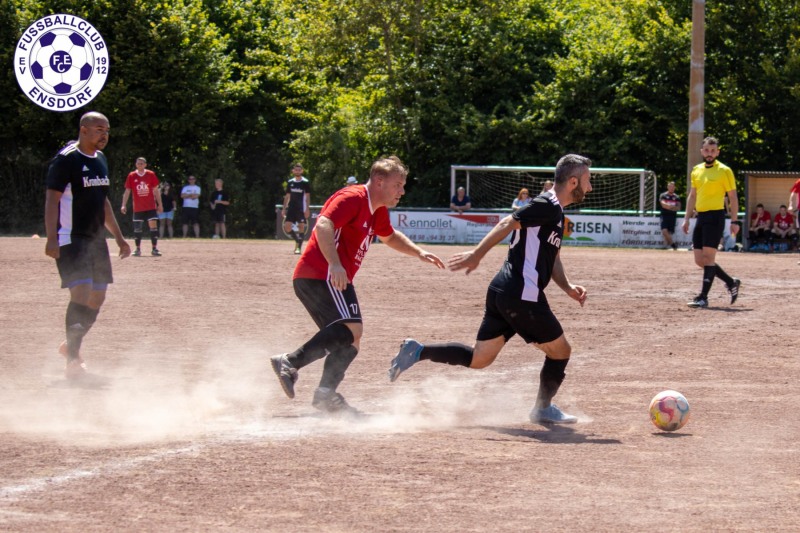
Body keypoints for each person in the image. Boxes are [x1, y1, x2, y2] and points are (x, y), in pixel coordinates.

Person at [387, 154, 593, 425]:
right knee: (561, 351)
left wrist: (566, 287)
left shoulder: (554, 210)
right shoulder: (548, 205)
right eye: (588, 181)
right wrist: (477, 254)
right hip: (522, 295)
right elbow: (507, 223)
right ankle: (542, 408)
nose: (590, 187)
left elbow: (552, 257)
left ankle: (417, 350)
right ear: (573, 181)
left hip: (503, 291)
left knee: (479, 359)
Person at [269, 156, 445, 414]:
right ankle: (290, 362)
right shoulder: (353, 198)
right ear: (379, 181)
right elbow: (324, 224)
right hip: (321, 274)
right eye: (398, 184)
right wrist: (335, 264)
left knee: (351, 340)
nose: (402, 191)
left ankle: (325, 394)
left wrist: (418, 252)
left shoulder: (377, 209)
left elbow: (389, 236)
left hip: (328, 276)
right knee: (352, 329)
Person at [44, 111, 131, 379]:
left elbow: (102, 202)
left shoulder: (101, 159)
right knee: (80, 293)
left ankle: (70, 345)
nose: (103, 135)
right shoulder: (66, 160)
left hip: (96, 239)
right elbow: (52, 200)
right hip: (71, 237)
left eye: (106, 130)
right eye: (98, 129)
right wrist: (51, 237)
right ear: (83, 130)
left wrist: (118, 236)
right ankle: (72, 360)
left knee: (97, 296)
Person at [681, 136, 741, 308]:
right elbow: (692, 196)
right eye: (707, 150)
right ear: (702, 151)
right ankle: (731, 282)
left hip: (716, 217)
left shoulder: (724, 170)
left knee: (709, 257)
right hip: (701, 217)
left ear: (718, 152)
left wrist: (734, 220)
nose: (709, 153)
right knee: (700, 260)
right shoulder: (696, 170)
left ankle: (703, 297)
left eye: (713, 151)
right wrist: (686, 218)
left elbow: (733, 196)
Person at [121, 157, 163, 256]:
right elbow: (127, 191)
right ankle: (137, 249)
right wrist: (123, 205)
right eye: (138, 163)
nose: (140, 165)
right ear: (136, 164)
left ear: (145, 165)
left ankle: (154, 249)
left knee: (153, 226)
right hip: (138, 207)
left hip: (150, 206)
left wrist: (160, 204)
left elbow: (156, 190)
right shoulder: (131, 175)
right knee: (137, 228)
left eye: (142, 163)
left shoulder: (150, 174)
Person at [281, 163, 311, 254]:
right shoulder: (290, 182)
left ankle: (298, 248)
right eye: (296, 170)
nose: (297, 171)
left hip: (301, 208)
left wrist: (307, 208)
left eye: (299, 170)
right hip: (292, 208)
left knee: (301, 227)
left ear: (302, 171)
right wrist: (284, 208)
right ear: (293, 171)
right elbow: (287, 196)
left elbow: (308, 196)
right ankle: (298, 240)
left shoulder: (305, 182)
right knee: (287, 227)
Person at [658, 181, 681, 250]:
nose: (671, 188)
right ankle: (673, 245)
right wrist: (673, 206)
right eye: (670, 186)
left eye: (672, 186)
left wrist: (668, 206)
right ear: (667, 187)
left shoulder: (676, 197)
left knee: (669, 233)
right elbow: (663, 205)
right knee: (664, 231)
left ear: (674, 188)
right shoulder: (663, 195)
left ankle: (665, 248)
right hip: (664, 215)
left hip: (672, 216)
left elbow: (678, 208)